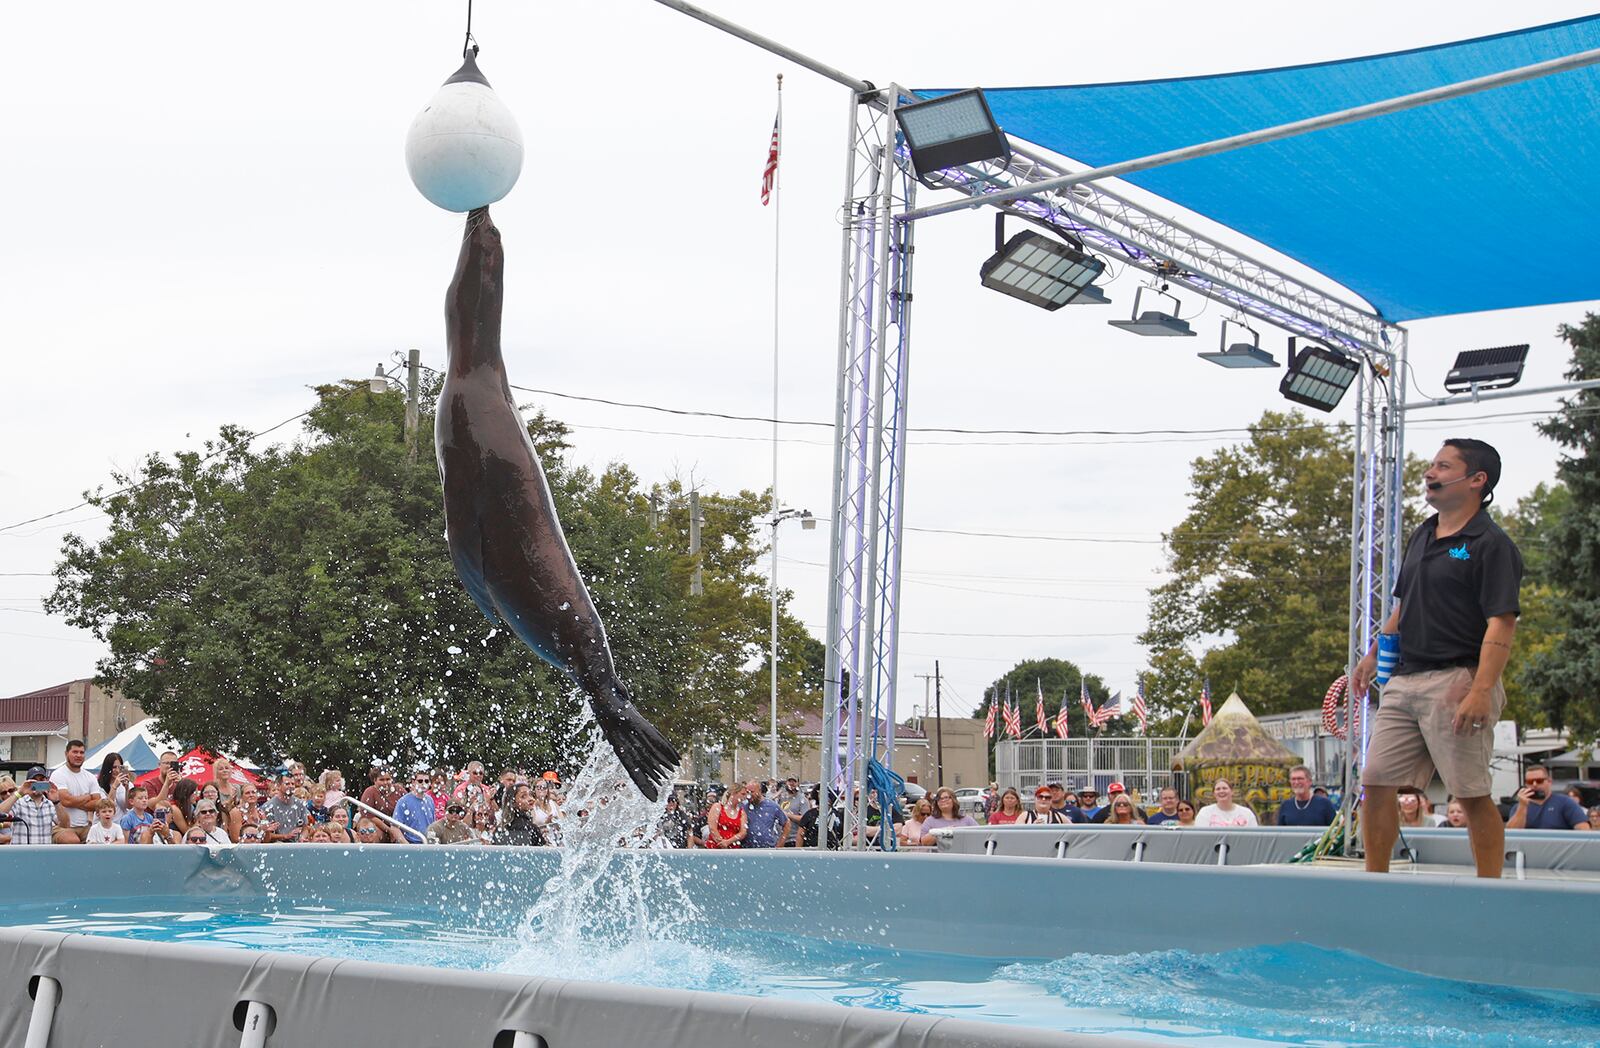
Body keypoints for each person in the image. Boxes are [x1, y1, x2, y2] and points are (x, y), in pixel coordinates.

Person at [1354, 439, 1522, 878]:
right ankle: (1376, 881)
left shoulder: (1491, 543)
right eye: (1431, 464)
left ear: (1476, 480)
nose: (1430, 473)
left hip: (1458, 679)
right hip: (1405, 679)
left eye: (1443, 466)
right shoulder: (1423, 532)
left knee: (1469, 793)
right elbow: (1404, 604)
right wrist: (1374, 653)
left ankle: (1490, 889)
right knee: (1375, 780)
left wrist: (1481, 690)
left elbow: (1502, 623)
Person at [49, 739, 105, 843]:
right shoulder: (58, 774)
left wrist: (74, 801)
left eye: (81, 752)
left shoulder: (90, 777)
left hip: (86, 826)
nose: (78, 755)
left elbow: (97, 804)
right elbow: (66, 801)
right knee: (72, 841)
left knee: (102, 841)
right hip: (62, 827)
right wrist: (87, 797)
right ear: (66, 754)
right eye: (75, 752)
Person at [1507, 764, 1591, 830]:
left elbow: (1584, 830)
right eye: (1530, 782)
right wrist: (1522, 806)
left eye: (1539, 781)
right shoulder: (1519, 808)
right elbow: (1512, 833)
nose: (1534, 785)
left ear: (1549, 781)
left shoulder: (1565, 803)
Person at [261, 774, 308, 843]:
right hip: (276, 845)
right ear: (278, 786)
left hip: (296, 844)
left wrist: (302, 837)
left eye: (292, 784)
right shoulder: (268, 806)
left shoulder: (300, 804)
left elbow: (305, 828)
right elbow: (266, 834)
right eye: (287, 784)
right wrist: (285, 836)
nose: (291, 786)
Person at [391, 771, 437, 843]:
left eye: (426, 781)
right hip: (410, 844)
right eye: (420, 781)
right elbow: (394, 827)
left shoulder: (430, 800)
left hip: (426, 844)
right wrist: (406, 845)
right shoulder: (403, 801)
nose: (423, 783)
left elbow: (433, 825)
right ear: (413, 782)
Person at [742, 780, 786, 849]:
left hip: (767, 849)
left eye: (752, 792)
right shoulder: (743, 806)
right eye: (747, 792)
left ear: (759, 791)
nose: (749, 795)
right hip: (748, 849)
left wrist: (780, 845)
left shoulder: (772, 806)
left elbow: (787, 824)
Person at [703, 783, 748, 849]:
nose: (745, 797)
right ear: (734, 793)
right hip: (715, 846)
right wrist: (721, 842)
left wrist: (727, 842)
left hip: (732, 848)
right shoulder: (717, 807)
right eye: (743, 794)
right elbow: (712, 827)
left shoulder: (742, 812)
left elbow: (743, 832)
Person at [96, 753, 134, 821]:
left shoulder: (129, 784)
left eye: (119, 767)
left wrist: (127, 788)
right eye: (114, 767)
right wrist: (114, 787)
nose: (117, 770)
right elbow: (106, 806)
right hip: (107, 824)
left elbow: (129, 806)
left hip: (123, 824)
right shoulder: (99, 785)